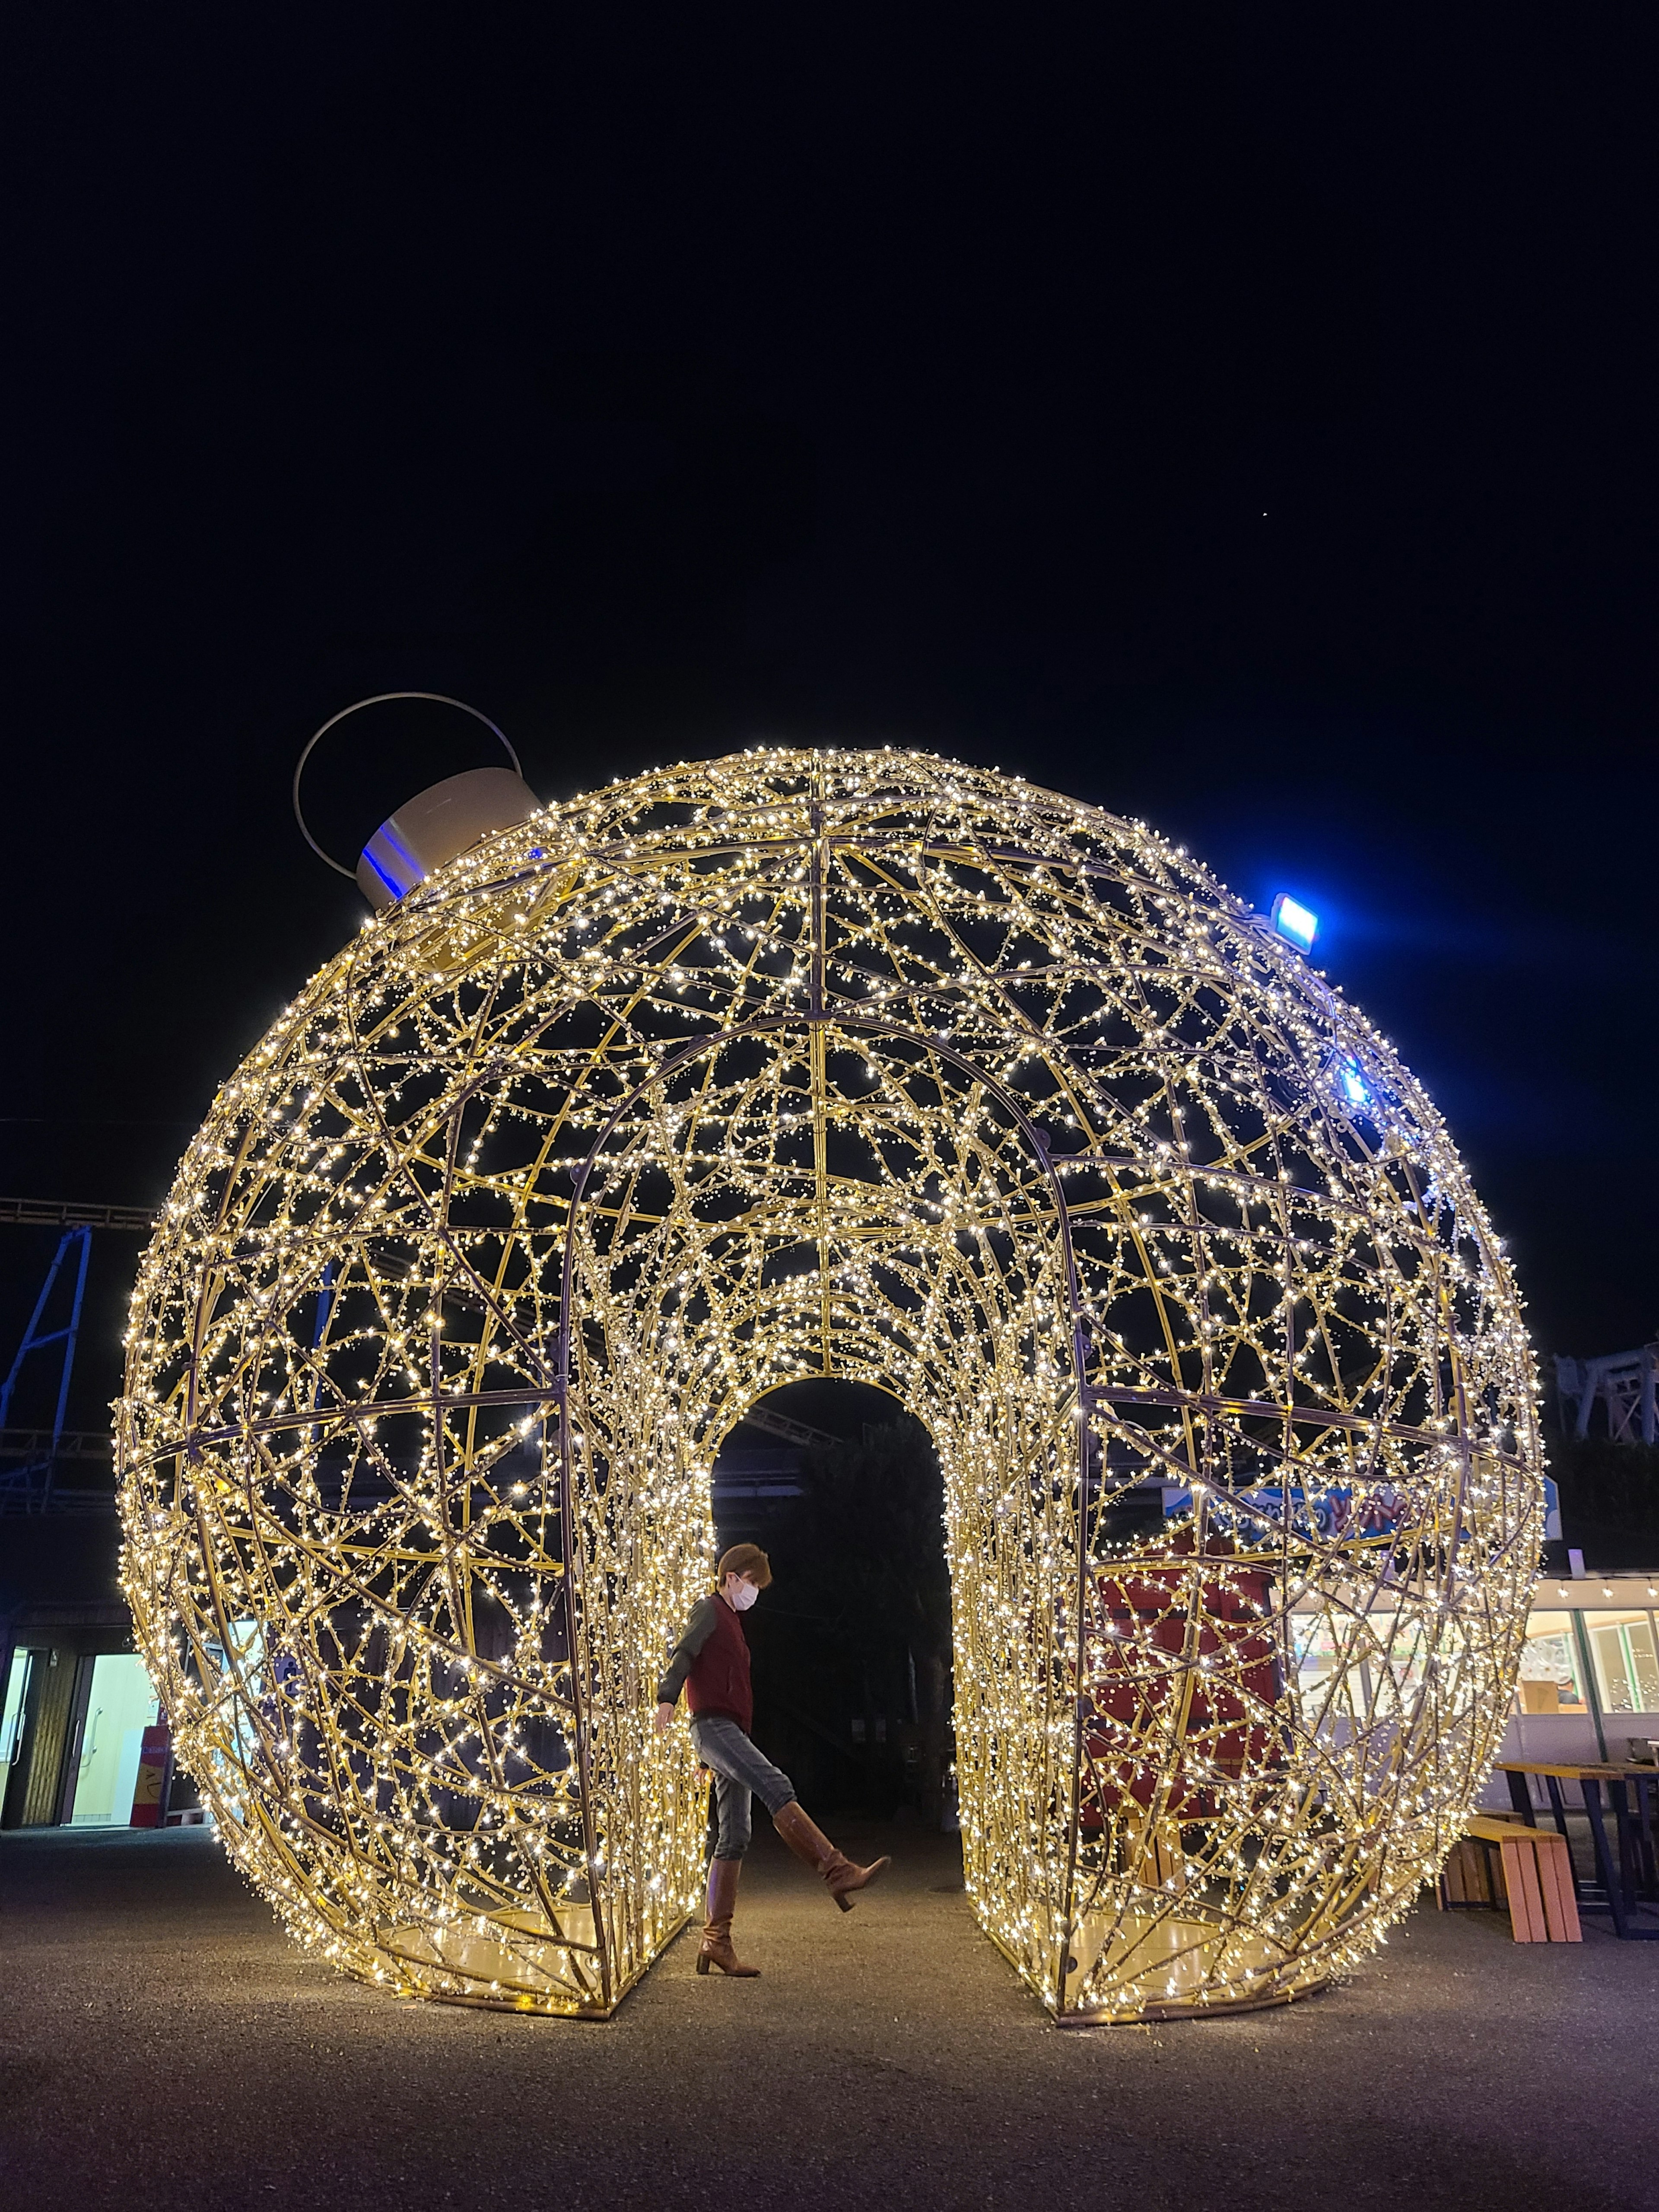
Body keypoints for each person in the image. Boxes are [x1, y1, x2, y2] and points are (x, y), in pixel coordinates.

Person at [655, 1541, 890, 1977]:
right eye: (753, 1582)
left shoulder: (733, 1622)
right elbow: (684, 1652)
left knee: (736, 1834)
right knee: (776, 1783)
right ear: (732, 1577)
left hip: (730, 1731)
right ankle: (836, 1869)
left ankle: (716, 1941)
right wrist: (667, 1698)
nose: (755, 1591)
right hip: (713, 1727)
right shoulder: (709, 1609)